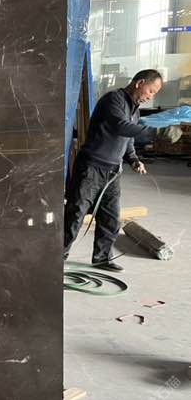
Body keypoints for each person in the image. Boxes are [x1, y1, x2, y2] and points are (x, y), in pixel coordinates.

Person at [63, 69, 182, 272]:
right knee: (75, 215)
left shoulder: (135, 110)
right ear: (139, 83)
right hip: (91, 168)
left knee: (110, 218)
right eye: (151, 91)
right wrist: (156, 132)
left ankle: (102, 258)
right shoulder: (113, 100)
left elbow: (128, 139)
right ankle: (57, 257)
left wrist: (133, 159)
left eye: (154, 94)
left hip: (112, 172)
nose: (150, 96)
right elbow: (120, 127)